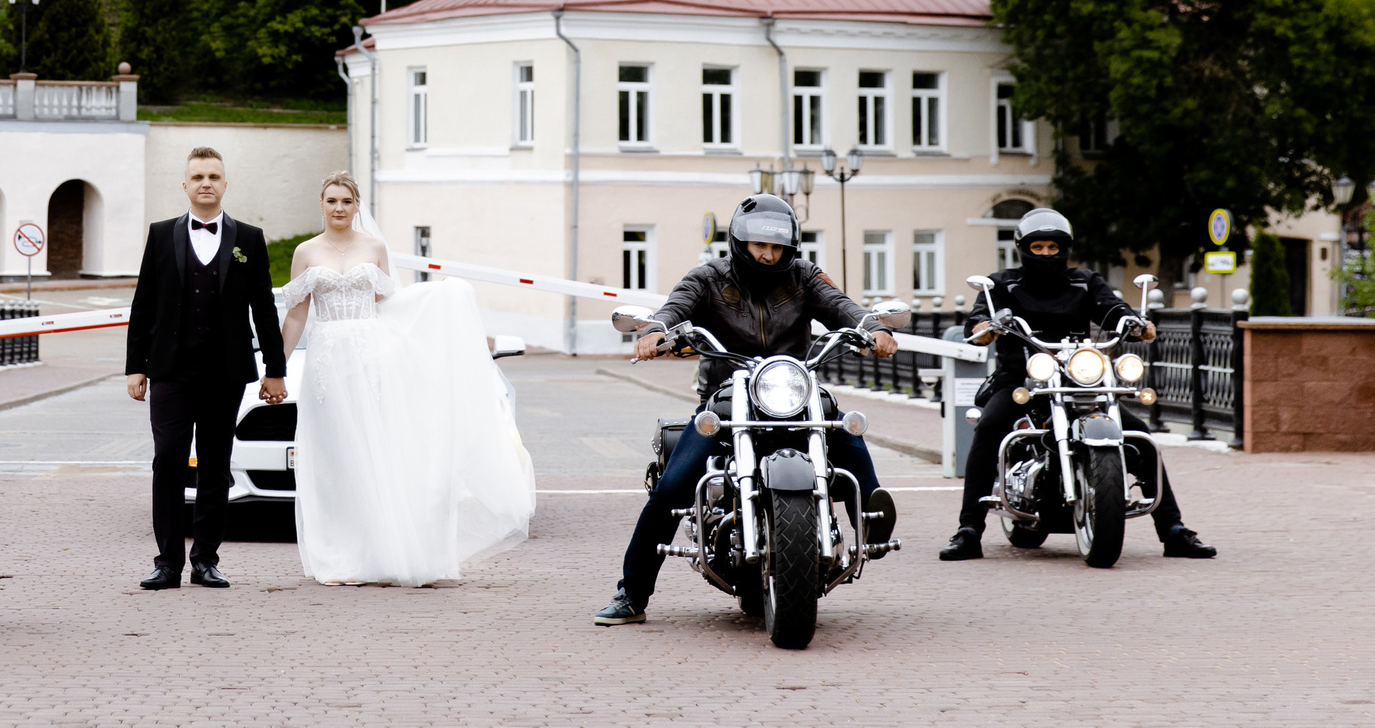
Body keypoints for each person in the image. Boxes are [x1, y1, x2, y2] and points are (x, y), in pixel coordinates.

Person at [594, 194, 899, 627]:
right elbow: (676, 307)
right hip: (728, 395)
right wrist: (657, 330)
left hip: (791, 389)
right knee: (672, 487)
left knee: (842, 425)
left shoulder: (804, 276)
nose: (768, 255)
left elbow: (841, 306)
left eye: (776, 247)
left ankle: (871, 512)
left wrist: (873, 327)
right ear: (740, 242)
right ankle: (632, 593)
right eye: (760, 246)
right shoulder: (708, 277)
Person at [275, 173, 535, 585]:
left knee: (374, 455)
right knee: (333, 459)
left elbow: (389, 306)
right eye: (332, 200)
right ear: (321, 204)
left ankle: (378, 553)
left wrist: (439, 305)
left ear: (357, 206)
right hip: (326, 363)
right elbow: (296, 314)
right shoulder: (305, 252)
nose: (339, 208)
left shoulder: (374, 248)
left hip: (369, 359)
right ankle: (338, 557)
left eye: (346, 201)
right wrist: (276, 368)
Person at [938, 208, 1217, 561]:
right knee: (990, 428)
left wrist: (1133, 322)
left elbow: (1111, 308)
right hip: (1022, 378)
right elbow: (978, 322)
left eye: (1053, 248)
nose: (1045, 254)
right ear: (1023, 248)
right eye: (1037, 247)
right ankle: (968, 531)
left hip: (1077, 378)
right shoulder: (1002, 284)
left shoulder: (1084, 281)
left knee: (1139, 435)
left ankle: (1173, 530)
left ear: (1065, 248)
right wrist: (986, 328)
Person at [126, 146, 288, 589]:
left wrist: (275, 369)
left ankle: (205, 560)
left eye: (213, 176)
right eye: (198, 176)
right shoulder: (161, 234)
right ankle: (167, 562)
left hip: (225, 371)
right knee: (168, 462)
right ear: (185, 184)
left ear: (225, 184)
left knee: (216, 465)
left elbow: (264, 308)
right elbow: (143, 305)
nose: (206, 183)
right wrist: (136, 367)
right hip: (171, 371)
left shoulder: (249, 238)